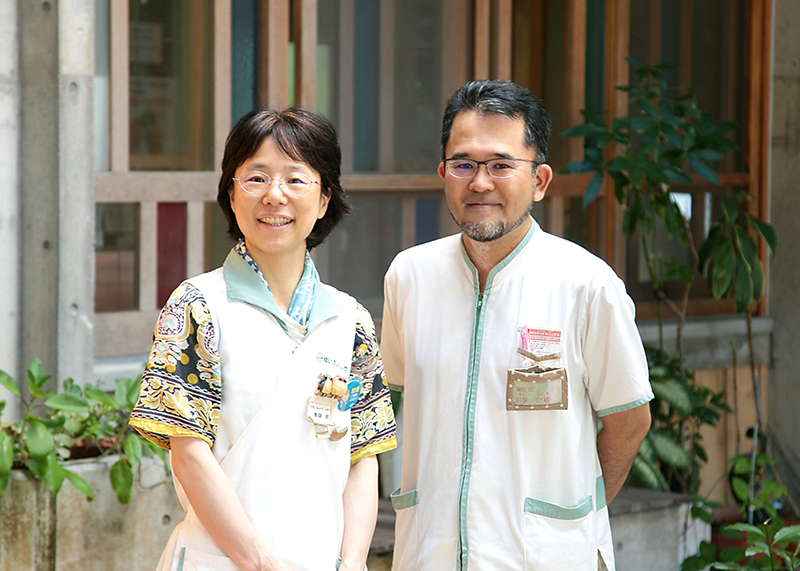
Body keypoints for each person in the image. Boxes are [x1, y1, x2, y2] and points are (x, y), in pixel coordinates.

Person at [381, 80, 653, 571]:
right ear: (443, 173)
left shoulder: (586, 285)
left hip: (544, 558)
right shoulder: (409, 276)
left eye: (501, 165)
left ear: (541, 180)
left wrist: (570, 521)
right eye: (463, 164)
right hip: (428, 554)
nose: (479, 183)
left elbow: (629, 421)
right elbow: (396, 400)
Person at [130, 107, 397, 571]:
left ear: (324, 198)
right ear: (231, 194)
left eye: (296, 180)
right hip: (221, 561)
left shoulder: (350, 319)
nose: (275, 196)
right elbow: (187, 452)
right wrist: (260, 564)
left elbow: (363, 455)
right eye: (256, 178)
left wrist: (351, 563)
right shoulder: (197, 305)